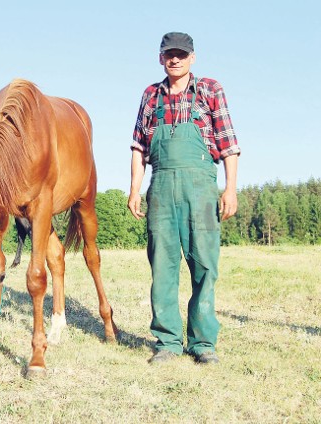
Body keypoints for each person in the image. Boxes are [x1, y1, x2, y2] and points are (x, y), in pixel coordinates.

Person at [128, 32, 240, 365]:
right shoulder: (151, 95)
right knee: (162, 265)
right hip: (161, 186)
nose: (174, 59)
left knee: (204, 263)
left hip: (201, 187)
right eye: (168, 54)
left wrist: (230, 188)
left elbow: (229, 143)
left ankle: (203, 343)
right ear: (160, 58)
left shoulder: (210, 89)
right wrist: (134, 188)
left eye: (181, 54)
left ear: (192, 57)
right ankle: (167, 341)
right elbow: (138, 147)